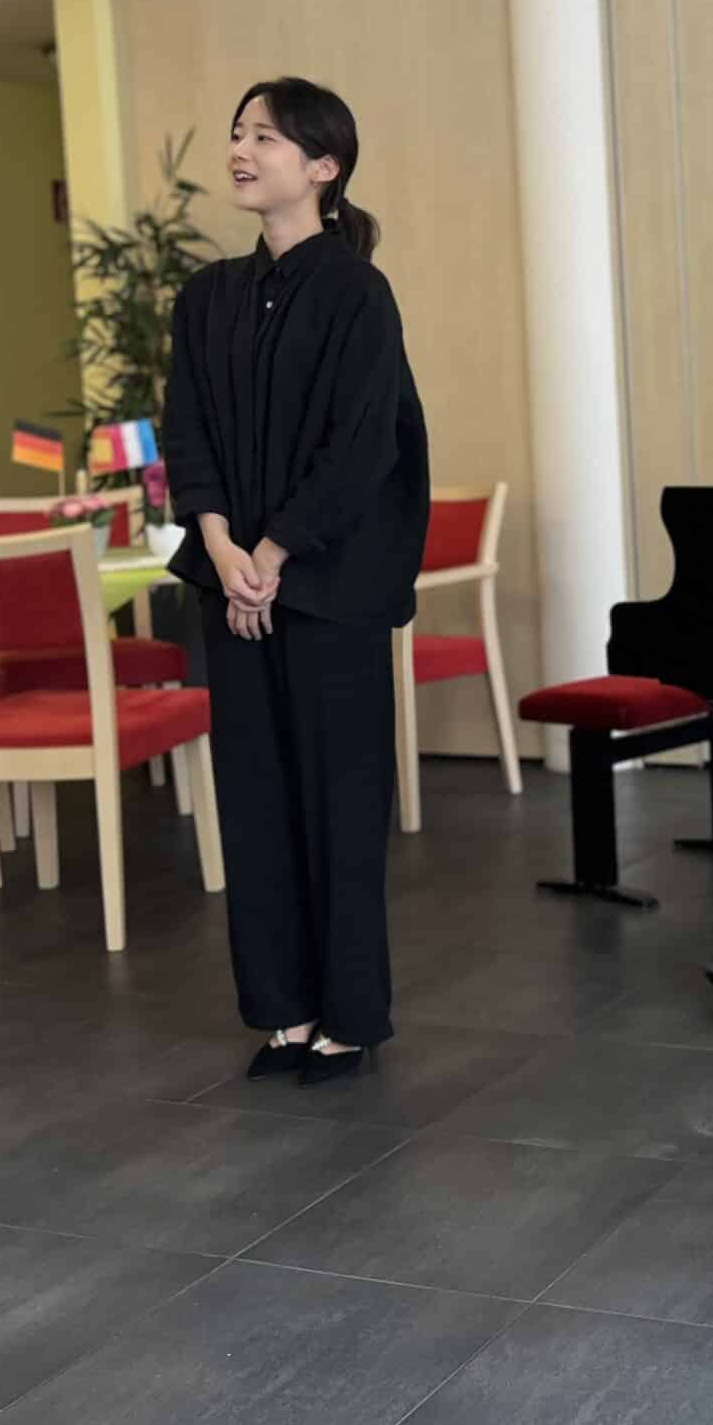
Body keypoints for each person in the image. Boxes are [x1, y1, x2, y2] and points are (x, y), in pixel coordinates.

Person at [161, 77, 431, 1087]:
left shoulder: (358, 292)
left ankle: (349, 1018)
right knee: (255, 799)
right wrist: (222, 544)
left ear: (323, 166)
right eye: (238, 134)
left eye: (265, 137)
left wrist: (273, 555)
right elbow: (187, 432)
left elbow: (363, 446)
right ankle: (283, 1010)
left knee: (339, 802)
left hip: (328, 588)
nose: (241, 150)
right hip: (232, 579)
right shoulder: (206, 298)